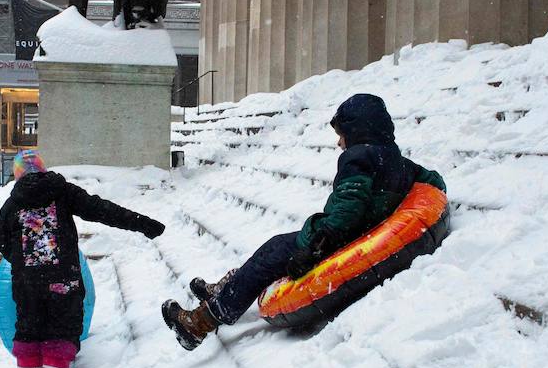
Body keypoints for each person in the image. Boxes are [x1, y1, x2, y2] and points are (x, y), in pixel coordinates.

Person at [163, 93, 447, 350]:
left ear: (357, 130)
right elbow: (433, 180)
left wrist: (313, 247)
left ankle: (200, 322)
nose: (339, 142)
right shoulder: (396, 159)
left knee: (270, 254)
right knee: (272, 252)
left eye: (342, 134)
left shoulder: (358, 157)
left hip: (334, 239)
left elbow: (348, 212)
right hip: (351, 234)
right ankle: (225, 288)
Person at [0, 149, 166, 368]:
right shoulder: (62, 191)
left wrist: (24, 263)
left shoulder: (12, 203)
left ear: (17, 175)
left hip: (27, 281)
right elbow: (102, 210)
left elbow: (4, 243)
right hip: (63, 277)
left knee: (28, 325)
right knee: (62, 326)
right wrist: (143, 224)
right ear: (42, 169)